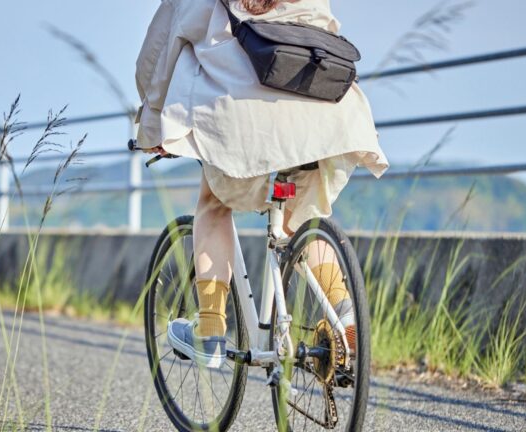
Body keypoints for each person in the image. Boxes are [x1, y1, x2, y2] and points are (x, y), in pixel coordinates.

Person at [135, 0, 388, 369]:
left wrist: (152, 123)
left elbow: (157, 56)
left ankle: (209, 333)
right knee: (302, 218)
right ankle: (345, 314)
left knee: (214, 203)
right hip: (324, 119)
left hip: (242, 121)